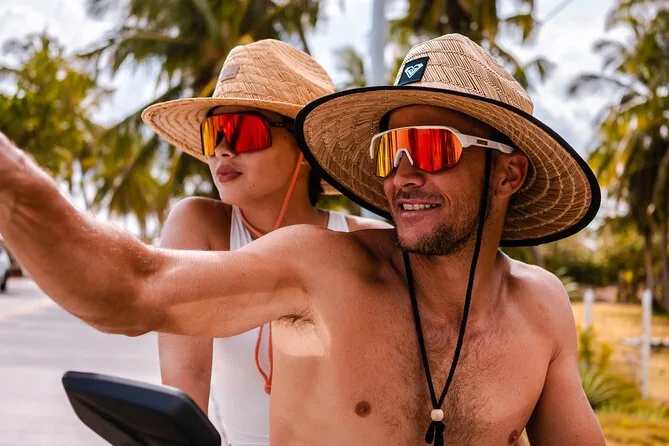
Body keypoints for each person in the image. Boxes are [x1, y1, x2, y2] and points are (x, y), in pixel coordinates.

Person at [0, 34, 606, 445]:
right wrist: (10, 183)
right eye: (388, 152)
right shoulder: (321, 267)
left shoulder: (541, 309)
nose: (401, 176)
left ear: (508, 173)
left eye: (428, 148)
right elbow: (133, 288)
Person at [145, 39, 388, 445]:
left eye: (243, 131)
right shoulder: (200, 227)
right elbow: (187, 381)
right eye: (214, 133)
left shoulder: (369, 244)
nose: (222, 150)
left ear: (306, 147)